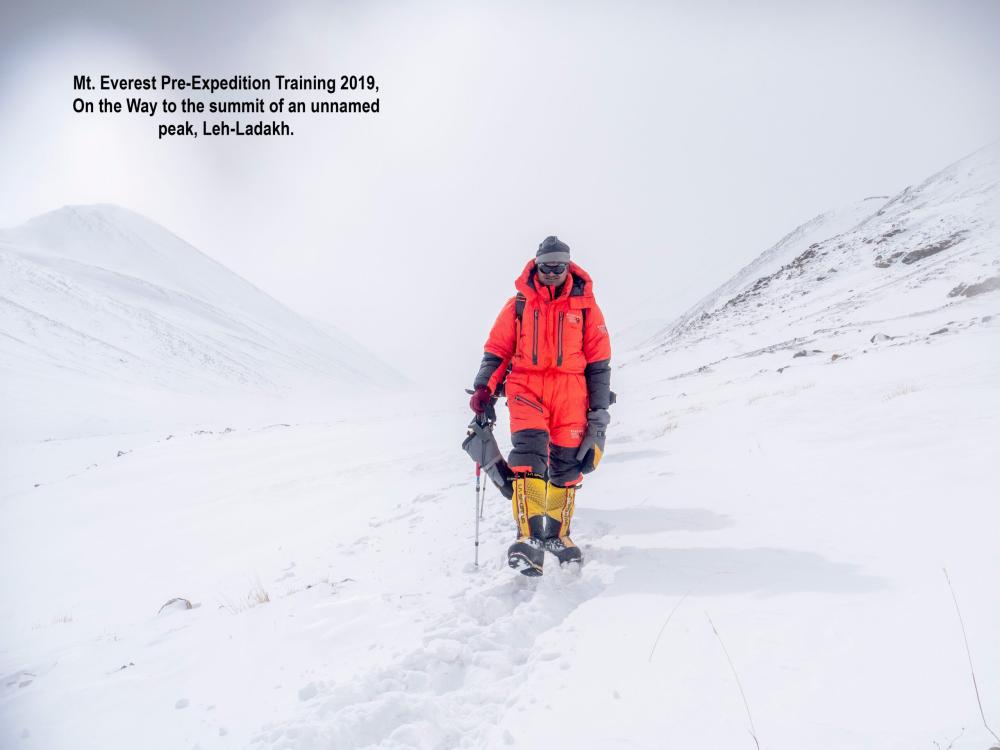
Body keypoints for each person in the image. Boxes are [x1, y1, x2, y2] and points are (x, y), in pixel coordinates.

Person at [469, 236, 612, 575]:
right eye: (545, 267)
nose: (551, 273)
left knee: (567, 466)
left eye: (558, 267)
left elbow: (599, 363)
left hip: (571, 393)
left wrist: (599, 410)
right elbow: (497, 351)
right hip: (526, 388)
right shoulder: (518, 304)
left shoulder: (586, 307)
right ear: (535, 266)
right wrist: (483, 389)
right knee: (529, 458)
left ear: (568, 267)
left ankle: (557, 536)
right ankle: (528, 538)